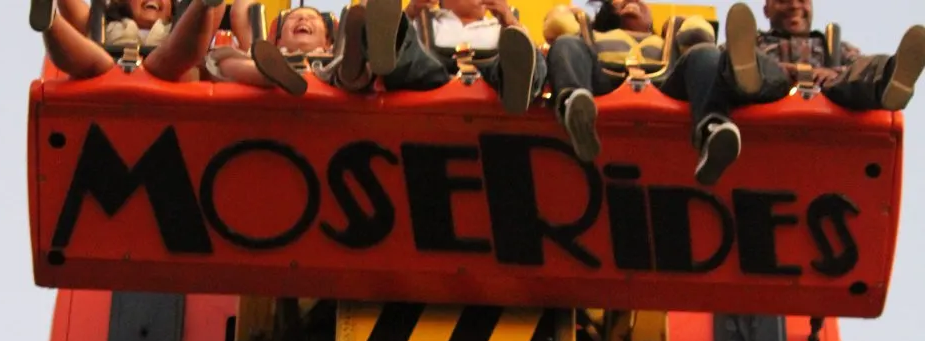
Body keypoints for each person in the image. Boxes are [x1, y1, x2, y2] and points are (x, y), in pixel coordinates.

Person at [544, 1, 792, 185]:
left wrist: (690, 27)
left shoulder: (668, 37)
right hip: (604, 82)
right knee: (566, 44)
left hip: (664, 85)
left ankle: (713, 130)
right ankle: (575, 110)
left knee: (705, 52)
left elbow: (699, 37)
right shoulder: (592, 35)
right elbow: (557, 28)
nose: (631, 1)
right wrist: (569, 17)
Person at [314, 0, 547, 115]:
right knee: (415, 56)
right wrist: (411, 12)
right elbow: (406, 42)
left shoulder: (504, 25)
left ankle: (517, 88)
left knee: (524, 51)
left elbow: (529, 49)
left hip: (495, 78)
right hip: (430, 78)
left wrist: (509, 20)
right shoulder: (424, 19)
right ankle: (365, 57)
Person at [750, 0, 925, 112]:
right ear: (766, 10)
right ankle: (747, 75)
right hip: (770, 91)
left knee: (863, 70)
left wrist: (834, 73)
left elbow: (857, 67)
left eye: (802, 0)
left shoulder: (834, 47)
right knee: (754, 68)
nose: (794, 5)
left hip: (830, 96)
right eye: (783, 0)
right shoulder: (754, 45)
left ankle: (891, 79)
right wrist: (785, 71)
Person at [29, 0, 226, 82]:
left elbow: (211, 23)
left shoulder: (181, 28)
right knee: (96, 61)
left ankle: (202, 5)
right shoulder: (103, 22)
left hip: (168, 75)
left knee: (167, 60)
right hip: (104, 75)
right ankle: (49, 21)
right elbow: (71, 8)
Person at [205, 1, 348, 96]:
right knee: (221, 61)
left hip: (331, 75)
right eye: (293, 18)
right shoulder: (270, 54)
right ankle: (268, 75)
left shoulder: (333, 53)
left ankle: (353, 75)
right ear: (278, 40)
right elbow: (239, 13)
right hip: (272, 67)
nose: (303, 19)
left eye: (312, 18)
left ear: (327, 41)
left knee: (348, 63)